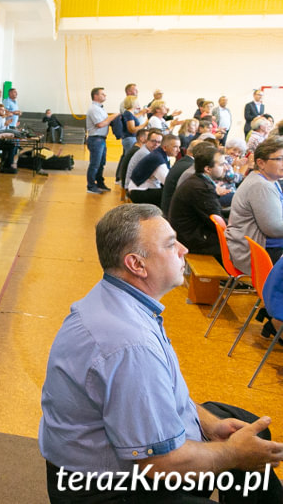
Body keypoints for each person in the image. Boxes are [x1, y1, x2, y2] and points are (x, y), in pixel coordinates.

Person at [40, 203, 283, 503]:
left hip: (119, 464)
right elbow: (157, 464)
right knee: (243, 453)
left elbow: (165, 391)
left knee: (246, 430)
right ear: (136, 265)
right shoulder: (130, 343)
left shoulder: (120, 301)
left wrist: (208, 424)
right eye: (170, 244)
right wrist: (232, 454)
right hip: (105, 489)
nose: (183, 250)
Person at [225, 136, 283, 274]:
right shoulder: (261, 185)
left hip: (256, 247)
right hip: (256, 254)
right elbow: (274, 229)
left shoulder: (268, 180)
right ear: (261, 163)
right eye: (280, 159)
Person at [168, 144, 226, 258]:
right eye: (222, 164)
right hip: (190, 239)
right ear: (208, 169)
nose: (226, 168)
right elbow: (216, 222)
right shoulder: (201, 188)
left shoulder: (198, 181)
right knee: (236, 245)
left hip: (187, 233)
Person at [85, 87, 119, 194]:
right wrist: (112, 117)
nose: (105, 96)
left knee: (101, 163)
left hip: (101, 139)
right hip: (95, 139)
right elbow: (100, 124)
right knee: (95, 164)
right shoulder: (93, 109)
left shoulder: (100, 108)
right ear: (96, 96)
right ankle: (90, 186)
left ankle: (99, 182)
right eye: (102, 94)